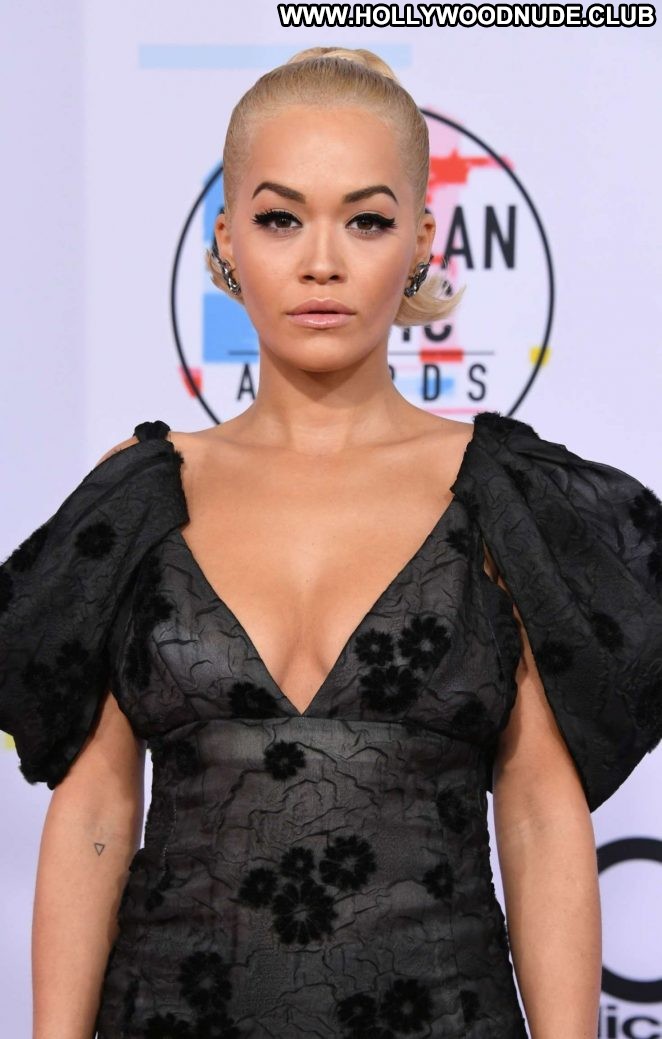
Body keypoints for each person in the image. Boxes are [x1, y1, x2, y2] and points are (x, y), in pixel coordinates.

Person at [0, 45, 660, 1039]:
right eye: (280, 218)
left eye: (365, 220)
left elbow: (536, 814)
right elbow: (94, 811)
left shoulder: (503, 496)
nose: (321, 261)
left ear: (421, 239)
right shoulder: (139, 493)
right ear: (227, 239)